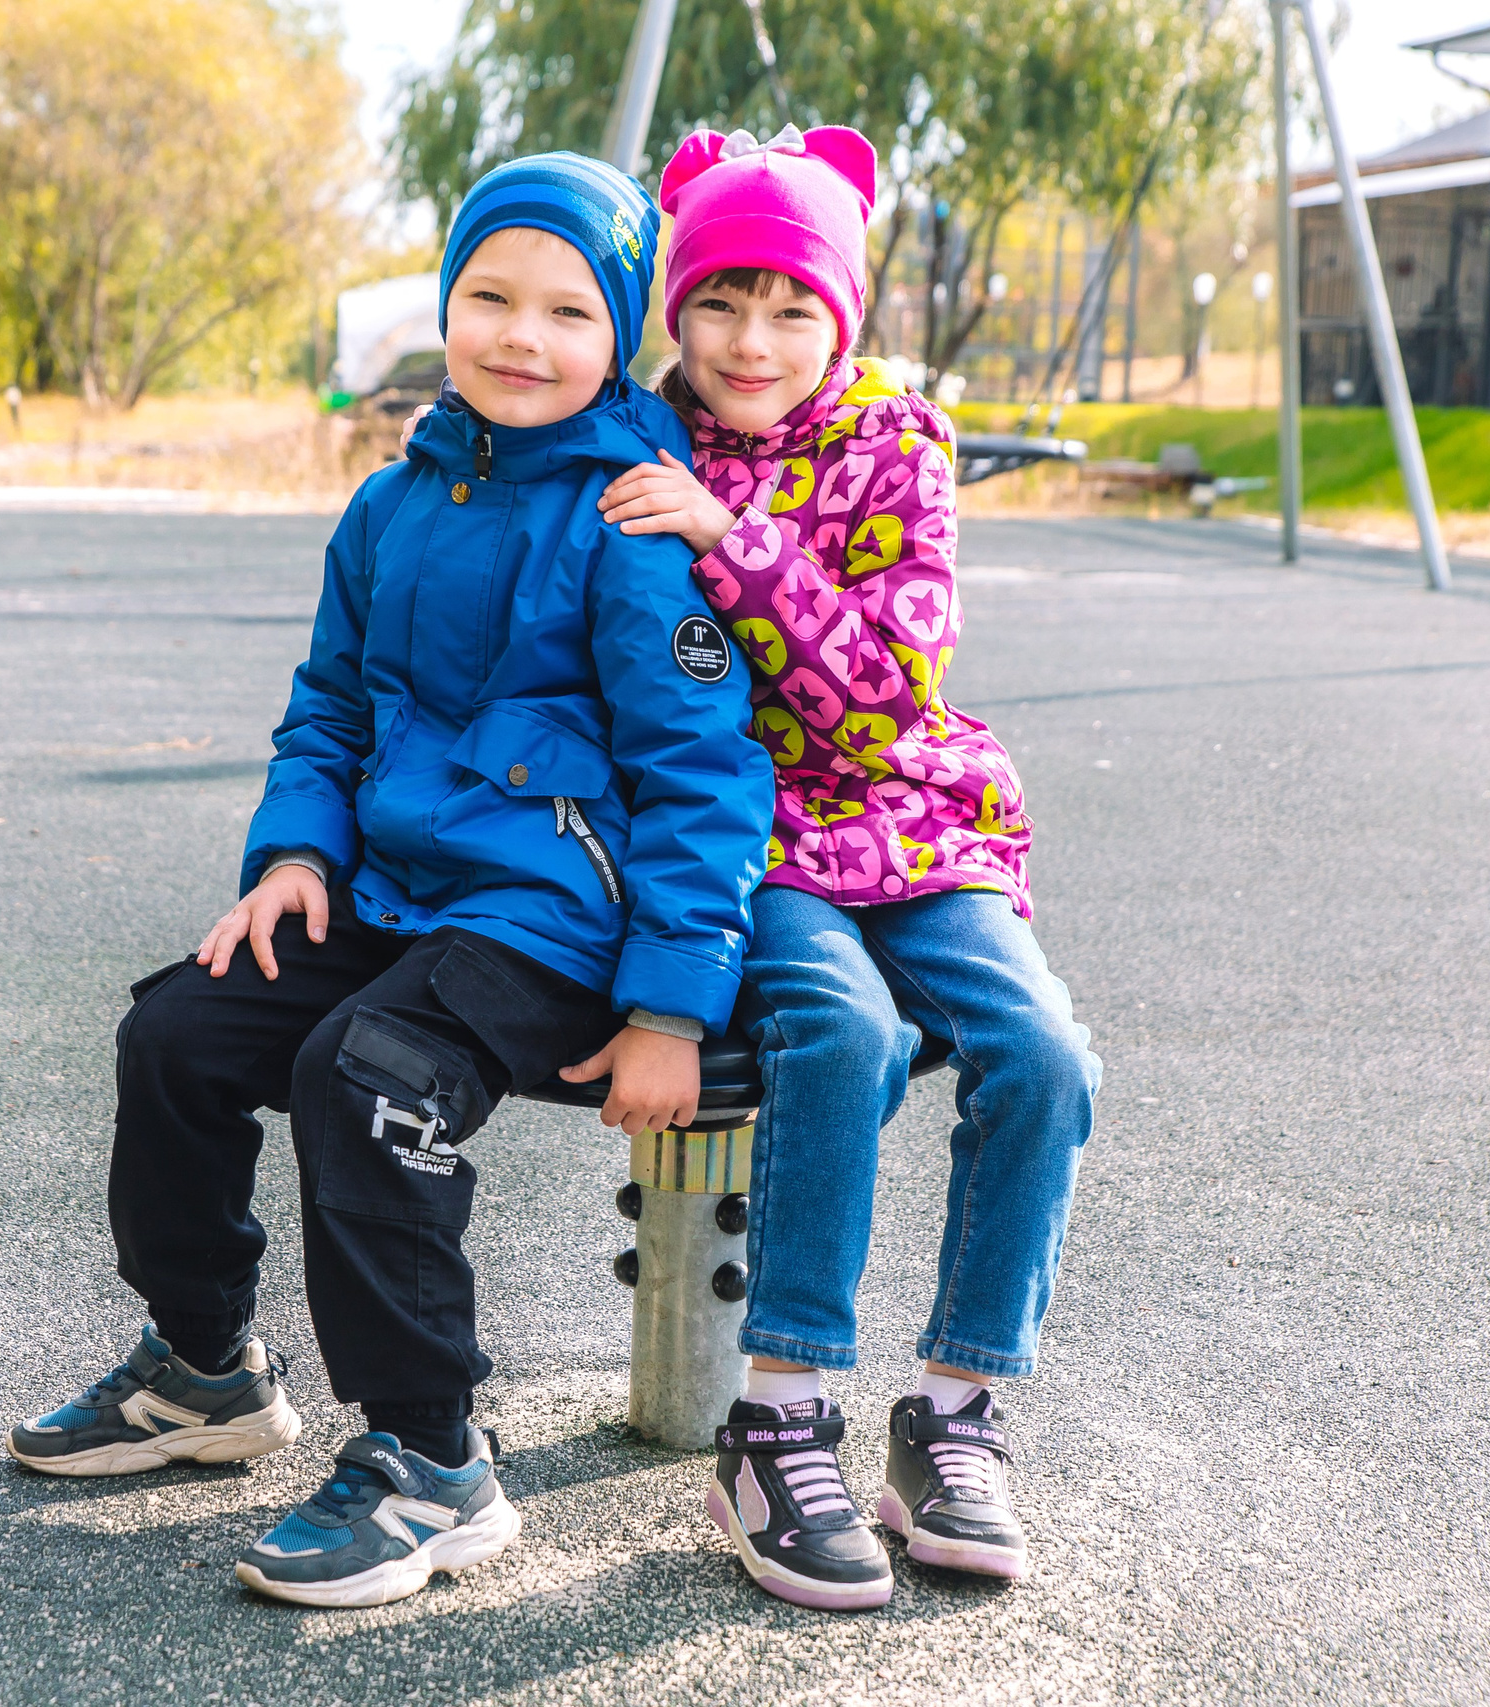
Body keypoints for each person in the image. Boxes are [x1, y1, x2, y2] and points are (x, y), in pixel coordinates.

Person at [2, 152, 774, 1611]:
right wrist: (296, 856)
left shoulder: (626, 523)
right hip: (396, 896)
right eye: (490, 296)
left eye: (568, 311)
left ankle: (435, 1457)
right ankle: (207, 1370)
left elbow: (704, 780)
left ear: (622, 335)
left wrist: (675, 1004)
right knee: (177, 1034)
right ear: (447, 302)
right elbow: (332, 712)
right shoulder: (389, 507)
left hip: (557, 921)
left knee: (372, 1076)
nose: (521, 338)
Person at [594, 125, 1102, 1608]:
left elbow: (887, 685)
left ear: (845, 314)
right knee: (843, 1033)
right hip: (761, 835)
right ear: (674, 311)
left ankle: (951, 1413)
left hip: (919, 817)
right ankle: (781, 1414)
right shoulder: (638, 443)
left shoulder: (900, 445)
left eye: (792, 309)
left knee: (1044, 1056)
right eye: (719, 305)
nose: (754, 343)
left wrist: (732, 539)